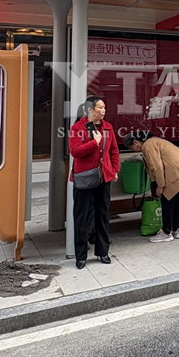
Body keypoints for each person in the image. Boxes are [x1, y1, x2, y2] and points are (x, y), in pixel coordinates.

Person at [69, 96, 120, 267]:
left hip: (103, 176)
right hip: (84, 176)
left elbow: (113, 150)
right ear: (90, 110)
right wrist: (94, 143)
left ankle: (103, 252)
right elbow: (75, 151)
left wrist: (115, 169)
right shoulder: (77, 128)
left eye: (104, 107)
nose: (103, 111)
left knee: (102, 214)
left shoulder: (108, 127)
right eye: (100, 107)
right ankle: (81, 256)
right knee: (82, 216)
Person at [128, 130, 179, 243]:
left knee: (167, 202)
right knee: (176, 202)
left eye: (132, 148)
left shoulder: (148, 145)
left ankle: (166, 232)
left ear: (136, 142)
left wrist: (160, 185)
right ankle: (176, 229)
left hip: (174, 172)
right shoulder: (156, 141)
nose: (133, 150)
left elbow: (157, 167)